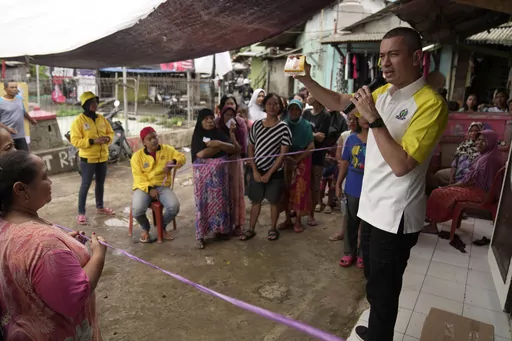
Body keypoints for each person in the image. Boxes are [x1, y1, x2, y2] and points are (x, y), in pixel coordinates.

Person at [295, 27, 449, 341]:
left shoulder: (430, 104)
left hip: (396, 215)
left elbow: (402, 165)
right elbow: (339, 101)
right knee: (373, 279)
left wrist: (374, 120)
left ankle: (381, 335)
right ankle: (378, 329)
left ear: (417, 57)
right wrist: (307, 81)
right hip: (372, 207)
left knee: (385, 286)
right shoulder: (385, 93)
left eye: (394, 54)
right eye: (382, 56)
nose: (385, 64)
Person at [0, 151, 107, 340]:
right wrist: (98, 254)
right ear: (21, 189)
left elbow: (28, 263)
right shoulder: (43, 244)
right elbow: (74, 298)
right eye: (44, 177)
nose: (50, 182)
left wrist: (64, 245)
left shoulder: (7, 225)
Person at [424, 130, 505, 234]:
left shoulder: (486, 160)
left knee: (438, 192)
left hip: (480, 194)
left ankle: (433, 225)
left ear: (492, 142)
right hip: (487, 192)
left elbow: (468, 181)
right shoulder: (492, 155)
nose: (479, 142)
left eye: (484, 140)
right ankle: (447, 218)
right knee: (443, 189)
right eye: (478, 139)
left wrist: (450, 186)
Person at [241, 93, 292, 242]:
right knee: (255, 201)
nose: (272, 106)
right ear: (264, 106)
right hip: (257, 170)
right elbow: (251, 147)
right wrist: (255, 171)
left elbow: (283, 154)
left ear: (280, 107)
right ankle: (251, 229)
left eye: (276, 104)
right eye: (269, 103)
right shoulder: (257, 124)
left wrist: (270, 173)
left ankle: (273, 228)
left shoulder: (284, 128)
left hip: (275, 172)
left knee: (274, 201)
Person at [191, 108, 237, 249]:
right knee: (203, 205)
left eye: (211, 117)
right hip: (203, 182)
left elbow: (233, 148)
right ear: (200, 121)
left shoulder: (218, 134)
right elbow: (201, 154)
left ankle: (220, 231)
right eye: (206, 118)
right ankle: (201, 235)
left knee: (220, 204)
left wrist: (218, 144)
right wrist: (219, 149)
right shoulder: (197, 135)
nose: (210, 121)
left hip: (219, 182)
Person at [131, 126, 186, 243]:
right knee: (137, 210)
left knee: (174, 207)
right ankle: (146, 229)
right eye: (150, 139)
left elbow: (182, 157)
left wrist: (174, 161)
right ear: (143, 142)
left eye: (155, 137)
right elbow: (138, 177)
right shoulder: (137, 157)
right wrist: (149, 189)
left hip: (162, 186)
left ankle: (162, 226)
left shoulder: (167, 150)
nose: (154, 140)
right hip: (143, 187)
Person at [70, 91, 115, 224]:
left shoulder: (102, 119)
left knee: (100, 183)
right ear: (85, 105)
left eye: (95, 102)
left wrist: (107, 138)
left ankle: (100, 207)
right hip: (88, 159)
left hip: (102, 157)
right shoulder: (79, 121)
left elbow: (110, 132)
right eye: (91, 103)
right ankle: (81, 213)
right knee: (85, 185)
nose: (94, 105)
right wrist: (92, 141)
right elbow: (75, 140)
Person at [336, 116, 369, 269]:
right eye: (362, 116)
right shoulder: (351, 139)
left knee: (368, 223)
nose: (366, 119)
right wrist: (338, 184)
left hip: (372, 187)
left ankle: (363, 253)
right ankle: (349, 252)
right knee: (351, 221)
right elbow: (345, 162)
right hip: (353, 185)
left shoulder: (380, 140)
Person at [278, 99, 314, 233]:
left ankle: (298, 220)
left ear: (301, 111)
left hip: (302, 160)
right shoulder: (283, 125)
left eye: (297, 109)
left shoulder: (306, 125)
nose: (294, 112)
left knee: (300, 190)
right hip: (285, 159)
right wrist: (287, 158)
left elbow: (311, 146)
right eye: (291, 109)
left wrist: (297, 159)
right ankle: (288, 219)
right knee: (285, 189)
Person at [216, 104, 247, 236]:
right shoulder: (217, 128)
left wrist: (232, 135)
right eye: (227, 115)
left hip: (234, 163)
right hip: (221, 164)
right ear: (222, 116)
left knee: (236, 193)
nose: (230, 118)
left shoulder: (239, 129)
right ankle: (224, 225)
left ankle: (238, 224)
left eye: (232, 115)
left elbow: (239, 149)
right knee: (223, 193)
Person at [329, 111, 358, 242]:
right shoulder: (345, 135)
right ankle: (343, 232)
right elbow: (339, 154)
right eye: (349, 119)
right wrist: (342, 162)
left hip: (359, 176)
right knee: (347, 208)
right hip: (347, 174)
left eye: (355, 119)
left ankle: (358, 237)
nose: (352, 122)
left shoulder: (368, 136)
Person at [302, 95, 331, 225]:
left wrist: (310, 135)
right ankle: (299, 210)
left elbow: (321, 137)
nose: (308, 97)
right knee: (302, 183)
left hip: (318, 154)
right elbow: (300, 130)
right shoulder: (306, 113)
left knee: (314, 184)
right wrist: (313, 134)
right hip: (304, 153)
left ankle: (311, 213)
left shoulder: (325, 115)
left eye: (311, 94)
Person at [434, 122, 483, 187]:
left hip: (470, 175)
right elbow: (455, 163)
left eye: (476, 131)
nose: (473, 133)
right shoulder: (463, 145)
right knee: (439, 175)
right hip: (458, 172)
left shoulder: (481, 146)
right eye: (471, 131)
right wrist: (451, 176)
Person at [0, 81, 37, 151]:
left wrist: (32, 120)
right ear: (5, 89)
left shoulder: (19, 98)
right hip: (5, 137)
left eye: (15, 87)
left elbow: (23, 111)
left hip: (20, 135)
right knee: (10, 159)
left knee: (25, 157)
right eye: (12, 87)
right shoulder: (0, 102)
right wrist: (7, 129)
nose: (14, 89)